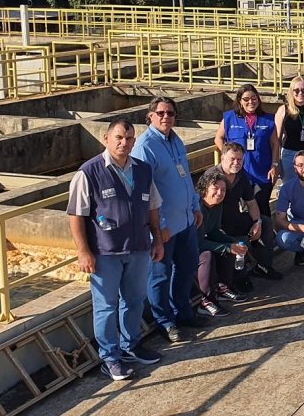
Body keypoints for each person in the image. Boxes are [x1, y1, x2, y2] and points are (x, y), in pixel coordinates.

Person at [67, 118, 164, 381]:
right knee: (106, 306)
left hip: (138, 247)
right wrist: (83, 251)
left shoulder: (143, 170)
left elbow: (152, 206)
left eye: (130, 138)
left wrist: (157, 239)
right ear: (106, 139)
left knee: (133, 300)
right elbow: (76, 214)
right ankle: (109, 358)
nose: (125, 143)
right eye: (119, 138)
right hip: (105, 251)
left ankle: (131, 345)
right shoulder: (89, 172)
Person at [132, 97, 203, 344]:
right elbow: (144, 191)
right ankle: (164, 321)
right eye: (160, 113)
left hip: (184, 220)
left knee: (187, 267)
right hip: (164, 227)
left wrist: (195, 206)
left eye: (170, 113)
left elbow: (185, 176)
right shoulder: (145, 146)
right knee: (160, 276)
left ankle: (183, 312)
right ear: (150, 116)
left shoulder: (175, 140)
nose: (166, 117)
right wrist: (158, 226)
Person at [214, 142, 281, 283]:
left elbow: (251, 202)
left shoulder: (241, 175)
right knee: (241, 241)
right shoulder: (212, 177)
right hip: (217, 225)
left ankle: (263, 266)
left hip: (235, 219)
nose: (236, 163)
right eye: (232, 159)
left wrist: (257, 222)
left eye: (239, 159)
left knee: (266, 223)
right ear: (222, 158)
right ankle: (238, 278)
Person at [214, 84, 279, 216]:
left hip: (262, 172)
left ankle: (264, 233)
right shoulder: (229, 118)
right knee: (235, 209)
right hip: (237, 171)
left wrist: (274, 164)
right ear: (239, 101)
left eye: (254, 98)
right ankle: (243, 235)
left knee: (262, 206)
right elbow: (218, 138)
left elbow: (275, 144)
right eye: (246, 99)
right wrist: (227, 157)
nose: (251, 102)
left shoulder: (269, 119)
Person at [194, 168, 247, 319]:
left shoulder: (217, 205)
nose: (219, 193)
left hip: (201, 243)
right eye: (215, 188)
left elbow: (214, 232)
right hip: (187, 249)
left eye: (223, 190)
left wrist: (232, 243)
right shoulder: (197, 207)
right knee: (208, 255)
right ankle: (206, 302)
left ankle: (223, 288)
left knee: (231, 246)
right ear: (205, 188)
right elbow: (197, 242)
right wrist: (227, 247)